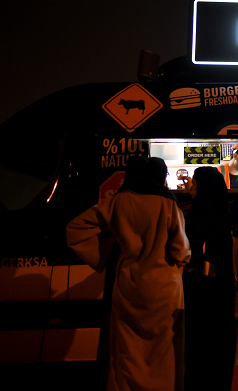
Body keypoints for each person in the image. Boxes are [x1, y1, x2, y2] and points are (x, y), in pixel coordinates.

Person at [66, 156, 191, 391]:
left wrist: (110, 246)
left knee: (126, 350)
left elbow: (75, 229)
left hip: (128, 286)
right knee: (164, 351)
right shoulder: (168, 203)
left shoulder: (119, 202)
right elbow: (180, 250)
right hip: (165, 289)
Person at [182, 166, 236, 390]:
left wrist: (189, 270)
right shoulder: (223, 210)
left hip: (202, 286)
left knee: (200, 338)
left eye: (193, 183)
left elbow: (192, 248)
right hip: (222, 283)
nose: (190, 187)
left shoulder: (198, 211)